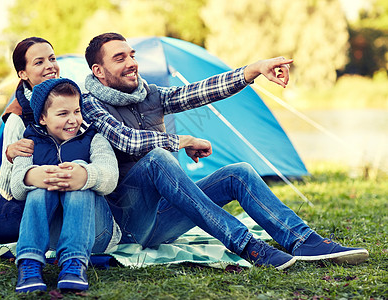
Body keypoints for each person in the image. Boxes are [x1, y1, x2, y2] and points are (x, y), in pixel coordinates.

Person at [56, 32, 367, 270]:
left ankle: (302, 241)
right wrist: (184, 141)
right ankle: (249, 246)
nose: (132, 62)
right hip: (128, 223)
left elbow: (200, 91)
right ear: (98, 70)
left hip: (166, 217)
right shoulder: (89, 104)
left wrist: (255, 70)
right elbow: (130, 142)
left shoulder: (150, 93)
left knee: (239, 173)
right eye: (120, 58)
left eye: (132, 55)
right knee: (157, 158)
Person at [0, 37, 118, 253]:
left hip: (68, 185)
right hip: (21, 195)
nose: (50, 66)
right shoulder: (18, 117)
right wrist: (11, 157)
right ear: (23, 74)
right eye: (39, 62)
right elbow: (8, 187)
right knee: (18, 226)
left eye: (52, 58)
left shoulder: (70, 96)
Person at [11, 78, 119, 293]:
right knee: (40, 179)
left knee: (78, 167)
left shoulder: (93, 137)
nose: (73, 120)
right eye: (63, 114)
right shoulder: (30, 142)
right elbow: (16, 186)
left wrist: (84, 174)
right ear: (43, 118)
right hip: (51, 236)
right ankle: (30, 263)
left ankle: (74, 262)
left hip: (96, 233)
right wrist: (35, 175)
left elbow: (110, 176)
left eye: (76, 111)